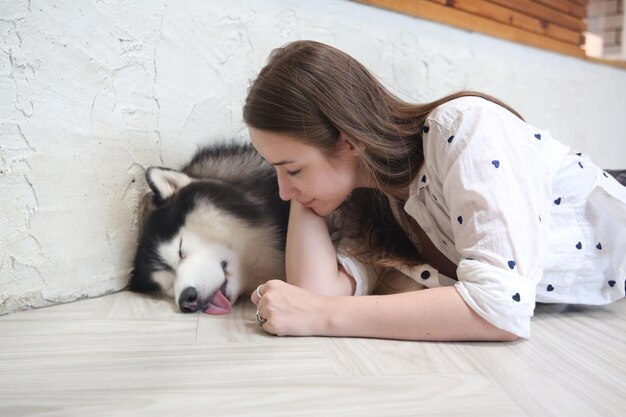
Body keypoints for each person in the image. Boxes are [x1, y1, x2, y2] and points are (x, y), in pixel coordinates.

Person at [243, 40, 626, 342]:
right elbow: (316, 292)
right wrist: (304, 187)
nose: (282, 191)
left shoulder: (466, 128)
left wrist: (321, 317)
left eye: (292, 168)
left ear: (349, 141)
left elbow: (502, 308)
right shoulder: (373, 198)